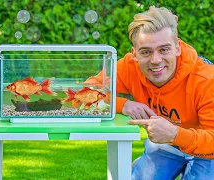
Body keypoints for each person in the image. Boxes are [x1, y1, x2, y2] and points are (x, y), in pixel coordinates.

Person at [85, 6, 214, 180]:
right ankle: (145, 166)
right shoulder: (129, 67)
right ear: (134, 54)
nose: (155, 60)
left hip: (207, 151)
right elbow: (86, 91)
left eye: (164, 49)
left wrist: (176, 134)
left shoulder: (206, 79)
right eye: (146, 52)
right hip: (165, 144)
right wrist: (124, 105)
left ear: (177, 48)